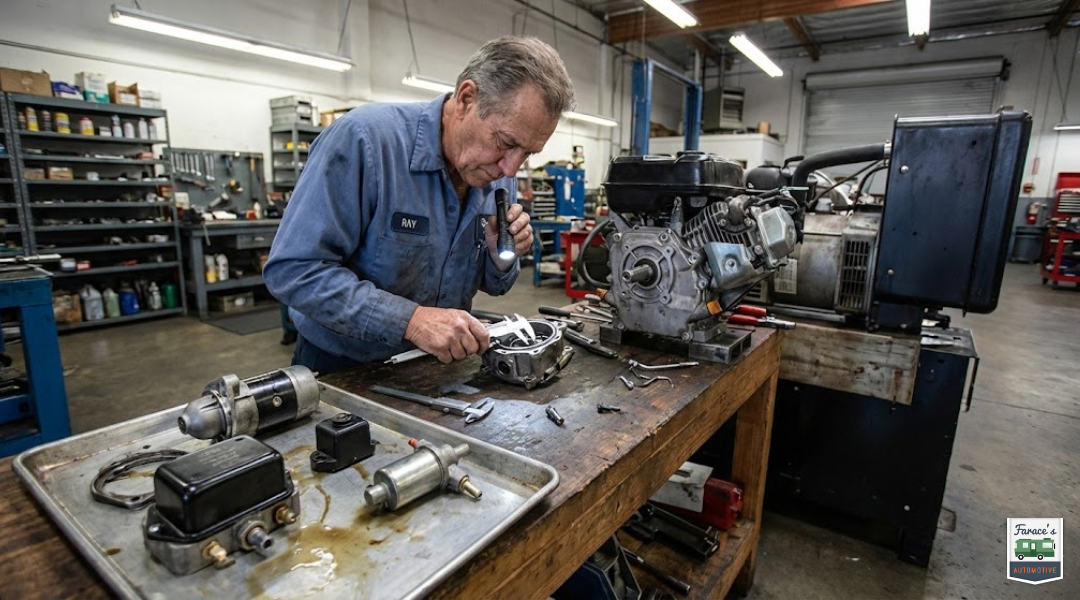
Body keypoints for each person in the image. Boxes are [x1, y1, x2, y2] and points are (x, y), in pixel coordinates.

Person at [264, 36, 576, 375]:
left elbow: (496, 285)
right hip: (342, 368)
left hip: (436, 368)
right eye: (505, 143)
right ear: (466, 99)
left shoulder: (497, 173)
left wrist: (504, 255)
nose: (511, 168)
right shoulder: (364, 142)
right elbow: (293, 269)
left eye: (528, 153)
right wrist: (410, 321)